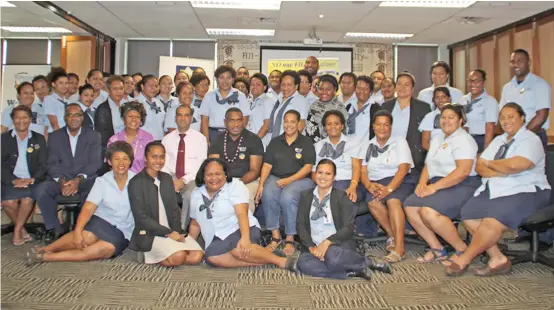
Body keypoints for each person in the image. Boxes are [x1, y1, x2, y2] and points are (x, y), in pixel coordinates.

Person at [446, 103, 551, 276]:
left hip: (527, 190)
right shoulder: (498, 140)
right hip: (497, 186)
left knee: (491, 221)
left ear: (522, 118)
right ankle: (498, 258)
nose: (506, 121)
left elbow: (518, 165)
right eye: (502, 118)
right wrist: (498, 168)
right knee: (469, 214)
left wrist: (491, 163)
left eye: (511, 116)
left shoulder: (531, 140)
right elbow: (479, 166)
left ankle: (464, 258)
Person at [27, 141, 136, 263]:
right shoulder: (102, 181)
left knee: (106, 249)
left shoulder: (137, 181)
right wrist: (78, 231)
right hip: (102, 221)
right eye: (117, 159)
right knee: (86, 237)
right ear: (110, 162)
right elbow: (88, 208)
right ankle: (47, 249)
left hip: (124, 229)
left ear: (130, 161)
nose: (121, 163)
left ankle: (45, 257)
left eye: (125, 159)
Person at [403, 104, 480, 264]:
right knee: (410, 206)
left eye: (451, 117)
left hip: (463, 185)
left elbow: (463, 172)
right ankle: (437, 248)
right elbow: (428, 165)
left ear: (460, 121)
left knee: (428, 212)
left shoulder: (464, 140)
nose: (446, 121)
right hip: (439, 184)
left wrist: (433, 187)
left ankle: (461, 248)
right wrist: (422, 183)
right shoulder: (438, 138)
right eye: (443, 117)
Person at [189, 158, 298, 270]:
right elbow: (195, 223)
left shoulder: (235, 185)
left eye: (218, 174)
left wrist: (245, 238)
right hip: (216, 237)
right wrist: (190, 245)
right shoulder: (197, 193)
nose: (214, 178)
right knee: (212, 257)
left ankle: (282, 261)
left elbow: (242, 214)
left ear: (225, 174)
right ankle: (266, 258)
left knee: (237, 249)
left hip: (241, 228)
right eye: (209, 174)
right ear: (203, 176)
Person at [296, 159, 392, 280]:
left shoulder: (341, 196)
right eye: (320, 172)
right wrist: (311, 247)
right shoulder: (305, 196)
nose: (323, 177)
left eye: (328, 173)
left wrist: (327, 243)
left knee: (333, 258)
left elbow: (349, 227)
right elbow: (301, 225)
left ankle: (368, 261)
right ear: (315, 174)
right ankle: (350, 272)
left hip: (337, 244)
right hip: (314, 245)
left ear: (334, 177)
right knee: (303, 263)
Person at [128, 142, 204, 267]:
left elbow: (174, 209)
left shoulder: (167, 178)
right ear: (146, 158)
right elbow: (141, 218)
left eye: (162, 157)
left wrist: (177, 231)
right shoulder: (136, 182)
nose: (158, 161)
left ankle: (167, 252)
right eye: (154, 156)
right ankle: (147, 254)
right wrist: (168, 233)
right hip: (151, 234)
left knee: (197, 256)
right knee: (178, 257)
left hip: (171, 231)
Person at [34, 104, 103, 240]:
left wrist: (77, 180)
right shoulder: (55, 136)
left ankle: (83, 229)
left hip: (84, 180)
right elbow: (51, 163)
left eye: (77, 115)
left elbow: (95, 163)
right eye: (70, 115)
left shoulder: (94, 136)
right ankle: (54, 228)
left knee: (95, 189)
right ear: (65, 118)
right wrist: (61, 181)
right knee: (41, 190)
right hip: (62, 180)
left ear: (82, 118)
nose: (74, 118)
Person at [256, 110, 316, 256]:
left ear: (299, 124)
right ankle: (276, 236)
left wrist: (289, 180)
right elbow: (267, 165)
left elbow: (308, 167)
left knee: (288, 196)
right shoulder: (275, 141)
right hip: (276, 177)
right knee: (268, 193)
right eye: (286, 121)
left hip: (302, 180)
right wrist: (261, 185)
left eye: (292, 121)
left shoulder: (306, 142)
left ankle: (290, 236)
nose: (289, 125)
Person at [360, 110, 415, 263]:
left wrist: (389, 189)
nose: (382, 128)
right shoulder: (368, 144)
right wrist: (369, 185)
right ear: (373, 126)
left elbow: (403, 168)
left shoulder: (399, 141)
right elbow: (362, 170)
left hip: (399, 180)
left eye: (386, 125)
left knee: (393, 201)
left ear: (391, 127)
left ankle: (399, 249)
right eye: (378, 124)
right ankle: (392, 235)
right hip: (377, 182)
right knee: (372, 201)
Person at [1, 105, 47, 246]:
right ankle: (22, 231)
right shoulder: (4, 139)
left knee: (27, 200)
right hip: (11, 180)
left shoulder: (38, 139)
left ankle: (17, 232)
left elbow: (43, 164)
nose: (21, 121)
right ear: (13, 120)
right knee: (8, 202)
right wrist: (13, 180)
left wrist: (33, 179)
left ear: (30, 119)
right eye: (17, 117)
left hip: (31, 180)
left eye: (25, 117)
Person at [161, 105, 207, 230]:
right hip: (170, 176)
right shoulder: (166, 139)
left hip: (191, 178)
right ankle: (163, 226)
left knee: (189, 195)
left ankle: (181, 228)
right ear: (175, 118)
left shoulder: (200, 139)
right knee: (160, 190)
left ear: (191, 118)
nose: (183, 118)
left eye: (186, 115)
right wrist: (170, 179)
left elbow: (201, 165)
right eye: (180, 115)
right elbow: (162, 163)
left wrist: (183, 180)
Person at [209, 108, 264, 213]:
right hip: (222, 181)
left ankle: (245, 228)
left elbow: (254, 171)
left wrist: (236, 184)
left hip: (247, 181)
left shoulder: (254, 139)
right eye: (231, 120)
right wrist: (223, 184)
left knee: (243, 200)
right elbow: (213, 167)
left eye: (239, 120)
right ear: (225, 122)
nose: (236, 124)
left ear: (243, 121)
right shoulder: (217, 140)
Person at [499, 48, 551, 149]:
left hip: (534, 135)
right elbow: (502, 114)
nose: (516, 65)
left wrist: (520, 136)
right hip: (510, 136)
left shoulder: (539, 84)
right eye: (513, 61)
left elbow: (541, 116)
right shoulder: (507, 87)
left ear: (529, 63)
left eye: (520, 61)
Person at [382, 72, 431, 173]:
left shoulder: (423, 108)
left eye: (406, 84)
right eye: (399, 84)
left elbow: (428, 135)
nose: (402, 87)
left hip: (414, 160)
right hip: (388, 157)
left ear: (413, 89)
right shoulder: (386, 106)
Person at [313, 110, 364, 202]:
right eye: (329, 124)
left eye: (336, 123)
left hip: (348, 182)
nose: (333, 127)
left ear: (342, 126)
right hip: (324, 183)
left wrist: (352, 187)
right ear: (325, 127)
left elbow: (356, 167)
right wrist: (321, 185)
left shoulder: (353, 143)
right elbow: (314, 171)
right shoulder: (318, 145)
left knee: (340, 200)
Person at [200, 65, 250, 142]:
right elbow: (204, 119)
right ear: (217, 79)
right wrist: (206, 140)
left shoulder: (240, 96)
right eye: (222, 78)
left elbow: (245, 119)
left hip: (234, 134)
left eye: (228, 78)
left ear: (233, 79)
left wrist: (238, 136)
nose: (225, 81)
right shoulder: (209, 95)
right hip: (213, 134)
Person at [457, 69, 498, 152]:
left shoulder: (490, 101)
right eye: (470, 81)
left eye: (477, 81)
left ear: (483, 82)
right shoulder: (462, 100)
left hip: (481, 140)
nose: (473, 84)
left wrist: (486, 151)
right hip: (464, 139)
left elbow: (490, 127)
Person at [107, 101, 154, 174]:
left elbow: (151, 164)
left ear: (141, 120)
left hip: (142, 180)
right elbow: (111, 167)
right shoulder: (114, 140)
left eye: (137, 117)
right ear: (123, 119)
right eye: (130, 116)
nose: (134, 120)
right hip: (120, 180)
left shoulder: (148, 138)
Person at [265, 70, 309, 146]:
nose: (285, 88)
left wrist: (288, 144)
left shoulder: (300, 100)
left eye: (289, 85)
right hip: (274, 143)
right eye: (283, 84)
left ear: (296, 86)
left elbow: (301, 125)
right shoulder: (279, 99)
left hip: (289, 145)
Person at [305, 74, 349, 144]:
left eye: (328, 89)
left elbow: (344, 131)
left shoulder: (339, 108)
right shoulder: (312, 105)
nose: (324, 92)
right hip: (312, 147)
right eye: (321, 89)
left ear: (335, 90)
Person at [94, 75, 127, 148]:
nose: (119, 91)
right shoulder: (103, 109)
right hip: (112, 148)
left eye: (121, 88)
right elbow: (103, 137)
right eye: (115, 89)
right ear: (108, 90)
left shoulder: (127, 106)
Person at [346, 75, 380, 141]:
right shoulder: (349, 106)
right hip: (348, 147)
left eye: (365, 89)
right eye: (359, 88)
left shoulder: (376, 109)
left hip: (366, 148)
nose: (361, 91)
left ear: (371, 91)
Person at [419, 87, 453, 151]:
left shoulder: (458, 114)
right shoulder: (429, 117)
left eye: (443, 97)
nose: (440, 100)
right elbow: (425, 143)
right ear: (434, 100)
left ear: (449, 98)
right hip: (434, 154)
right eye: (437, 97)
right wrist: (438, 153)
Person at [136, 75, 166, 141]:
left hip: (159, 141)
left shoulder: (159, 103)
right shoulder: (136, 103)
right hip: (142, 142)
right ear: (142, 86)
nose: (154, 89)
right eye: (150, 86)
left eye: (156, 86)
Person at [246, 73, 273, 147]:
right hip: (248, 140)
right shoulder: (248, 101)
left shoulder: (267, 101)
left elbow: (267, 125)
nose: (254, 87)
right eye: (252, 84)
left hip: (260, 142)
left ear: (264, 87)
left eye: (258, 84)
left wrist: (255, 141)